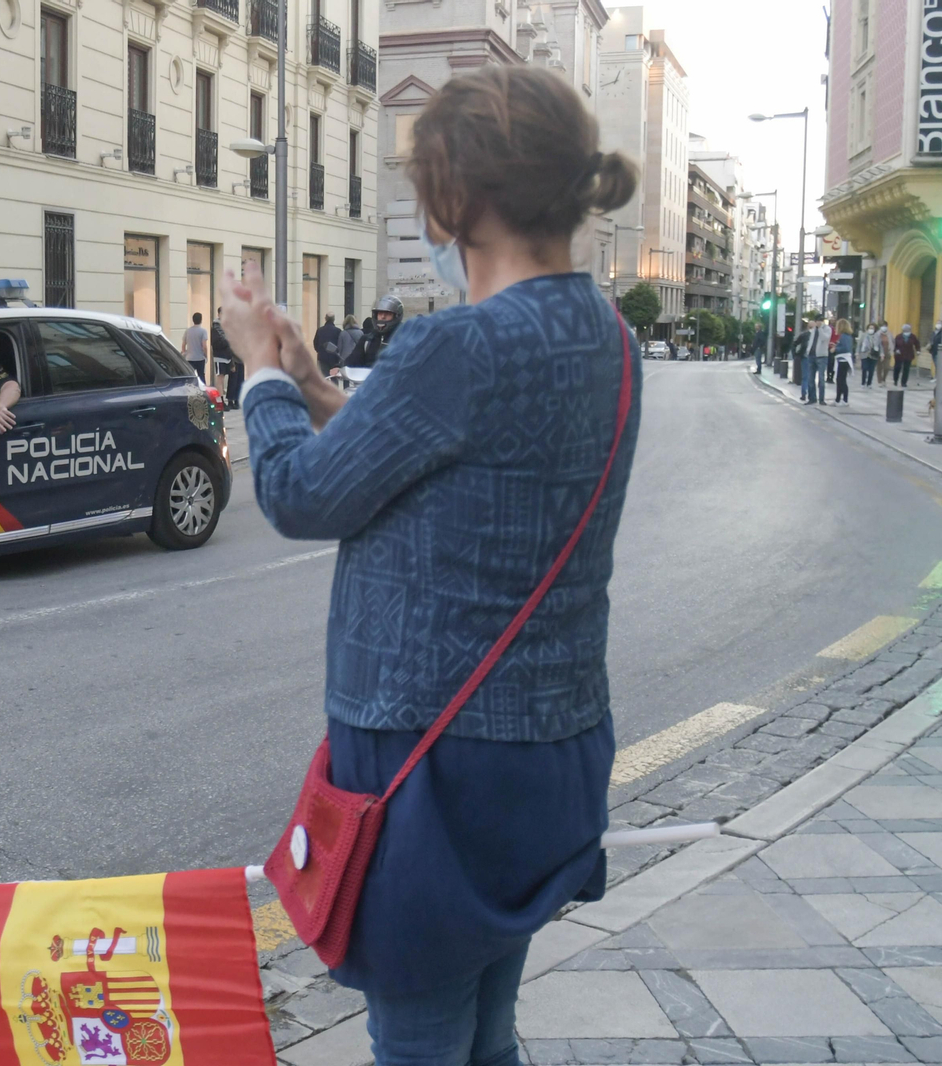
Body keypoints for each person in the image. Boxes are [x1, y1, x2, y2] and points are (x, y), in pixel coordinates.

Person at [221, 64, 639, 1066]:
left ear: (455, 200)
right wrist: (320, 384)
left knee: (417, 1039)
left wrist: (264, 377)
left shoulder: (454, 344)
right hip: (548, 747)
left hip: (429, 763)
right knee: (485, 1033)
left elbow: (299, 494)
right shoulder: (608, 336)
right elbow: (438, 452)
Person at [353, 294, 404, 368]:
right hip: (369, 379)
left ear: (396, 316)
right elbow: (352, 362)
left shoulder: (405, 340)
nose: (383, 317)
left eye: (387, 314)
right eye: (380, 313)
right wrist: (340, 368)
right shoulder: (367, 340)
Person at [180, 311, 210, 382]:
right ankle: (202, 392)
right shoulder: (203, 331)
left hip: (189, 358)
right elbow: (204, 346)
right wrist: (206, 356)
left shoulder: (188, 331)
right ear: (201, 320)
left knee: (191, 377)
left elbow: (183, 344)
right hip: (199, 358)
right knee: (201, 376)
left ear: (193, 320)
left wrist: (184, 353)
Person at [833, 317, 855, 405]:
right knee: (840, 380)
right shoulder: (847, 336)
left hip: (843, 360)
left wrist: (836, 348)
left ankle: (844, 400)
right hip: (843, 360)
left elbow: (845, 348)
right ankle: (838, 399)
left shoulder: (844, 336)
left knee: (841, 380)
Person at [894, 323, 920, 388]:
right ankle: (895, 380)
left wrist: (918, 350)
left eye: (908, 330)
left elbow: (917, 344)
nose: (906, 331)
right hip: (899, 355)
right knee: (897, 368)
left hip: (908, 355)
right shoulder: (898, 336)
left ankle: (904, 382)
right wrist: (896, 350)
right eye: (905, 330)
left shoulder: (913, 336)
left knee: (906, 369)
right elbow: (894, 345)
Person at [859, 323, 878, 387]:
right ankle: (863, 382)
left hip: (873, 355)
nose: (871, 329)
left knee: (871, 370)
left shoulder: (877, 336)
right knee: (864, 368)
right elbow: (859, 344)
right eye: (870, 328)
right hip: (864, 354)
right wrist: (857, 353)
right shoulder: (864, 335)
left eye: (872, 328)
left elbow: (880, 346)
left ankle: (869, 383)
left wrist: (882, 353)